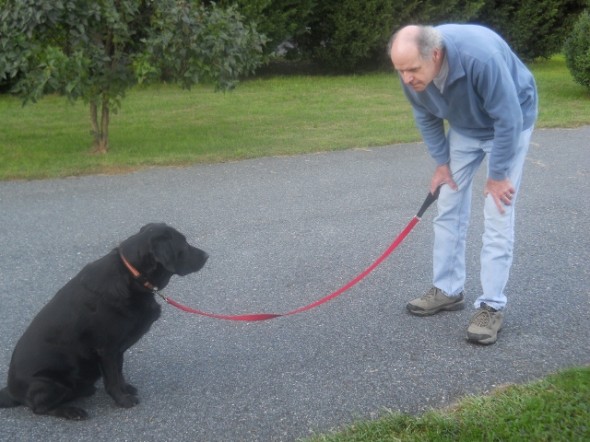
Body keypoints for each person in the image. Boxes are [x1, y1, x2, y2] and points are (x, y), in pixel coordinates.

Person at [388, 24, 538, 345]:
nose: (406, 78)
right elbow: (425, 115)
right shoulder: (411, 72)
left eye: (412, 69)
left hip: (510, 123)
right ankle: (447, 288)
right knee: (448, 206)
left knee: (498, 212)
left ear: (436, 55)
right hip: (466, 128)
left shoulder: (480, 58)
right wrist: (442, 163)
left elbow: (508, 118)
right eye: (399, 70)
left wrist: (497, 176)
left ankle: (491, 305)